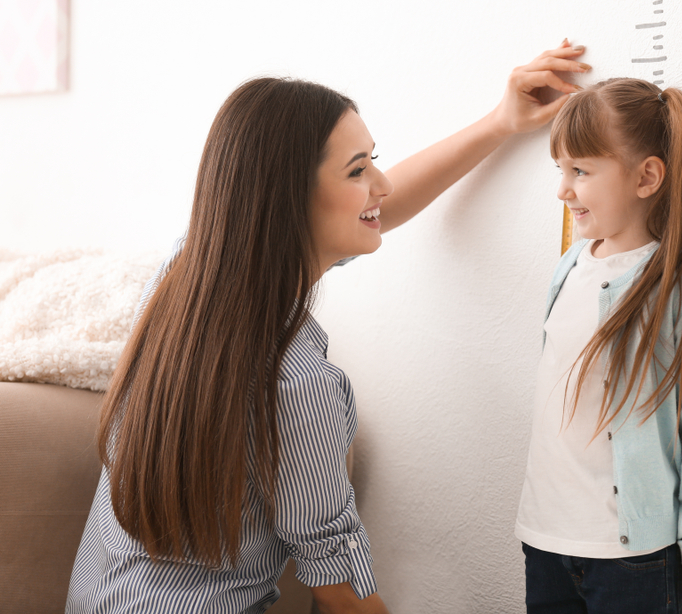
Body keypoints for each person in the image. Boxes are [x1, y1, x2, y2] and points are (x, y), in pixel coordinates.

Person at [65, 41, 590, 614]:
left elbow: (373, 208)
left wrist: (499, 123)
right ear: (291, 199)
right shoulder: (298, 383)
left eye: (372, 160)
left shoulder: (186, 275)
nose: (381, 184)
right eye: (359, 169)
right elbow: (340, 589)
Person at [514, 78, 682, 612]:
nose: (563, 190)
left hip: (631, 556)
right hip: (546, 537)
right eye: (561, 171)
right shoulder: (569, 267)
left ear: (647, 177)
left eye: (581, 171)